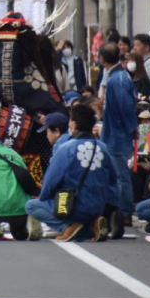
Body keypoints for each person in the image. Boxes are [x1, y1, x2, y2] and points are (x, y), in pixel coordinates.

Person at [26, 104, 119, 242]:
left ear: (74, 124)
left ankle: (70, 227)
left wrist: (44, 198)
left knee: (31, 206)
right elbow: (113, 180)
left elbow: (50, 182)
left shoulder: (66, 148)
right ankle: (93, 224)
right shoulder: (103, 147)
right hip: (98, 206)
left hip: (72, 206)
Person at [99, 42, 138, 222]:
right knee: (116, 174)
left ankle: (125, 212)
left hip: (118, 133)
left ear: (102, 59)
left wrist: (132, 128)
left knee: (121, 176)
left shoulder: (118, 78)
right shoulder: (117, 76)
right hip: (114, 132)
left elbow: (126, 106)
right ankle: (117, 210)